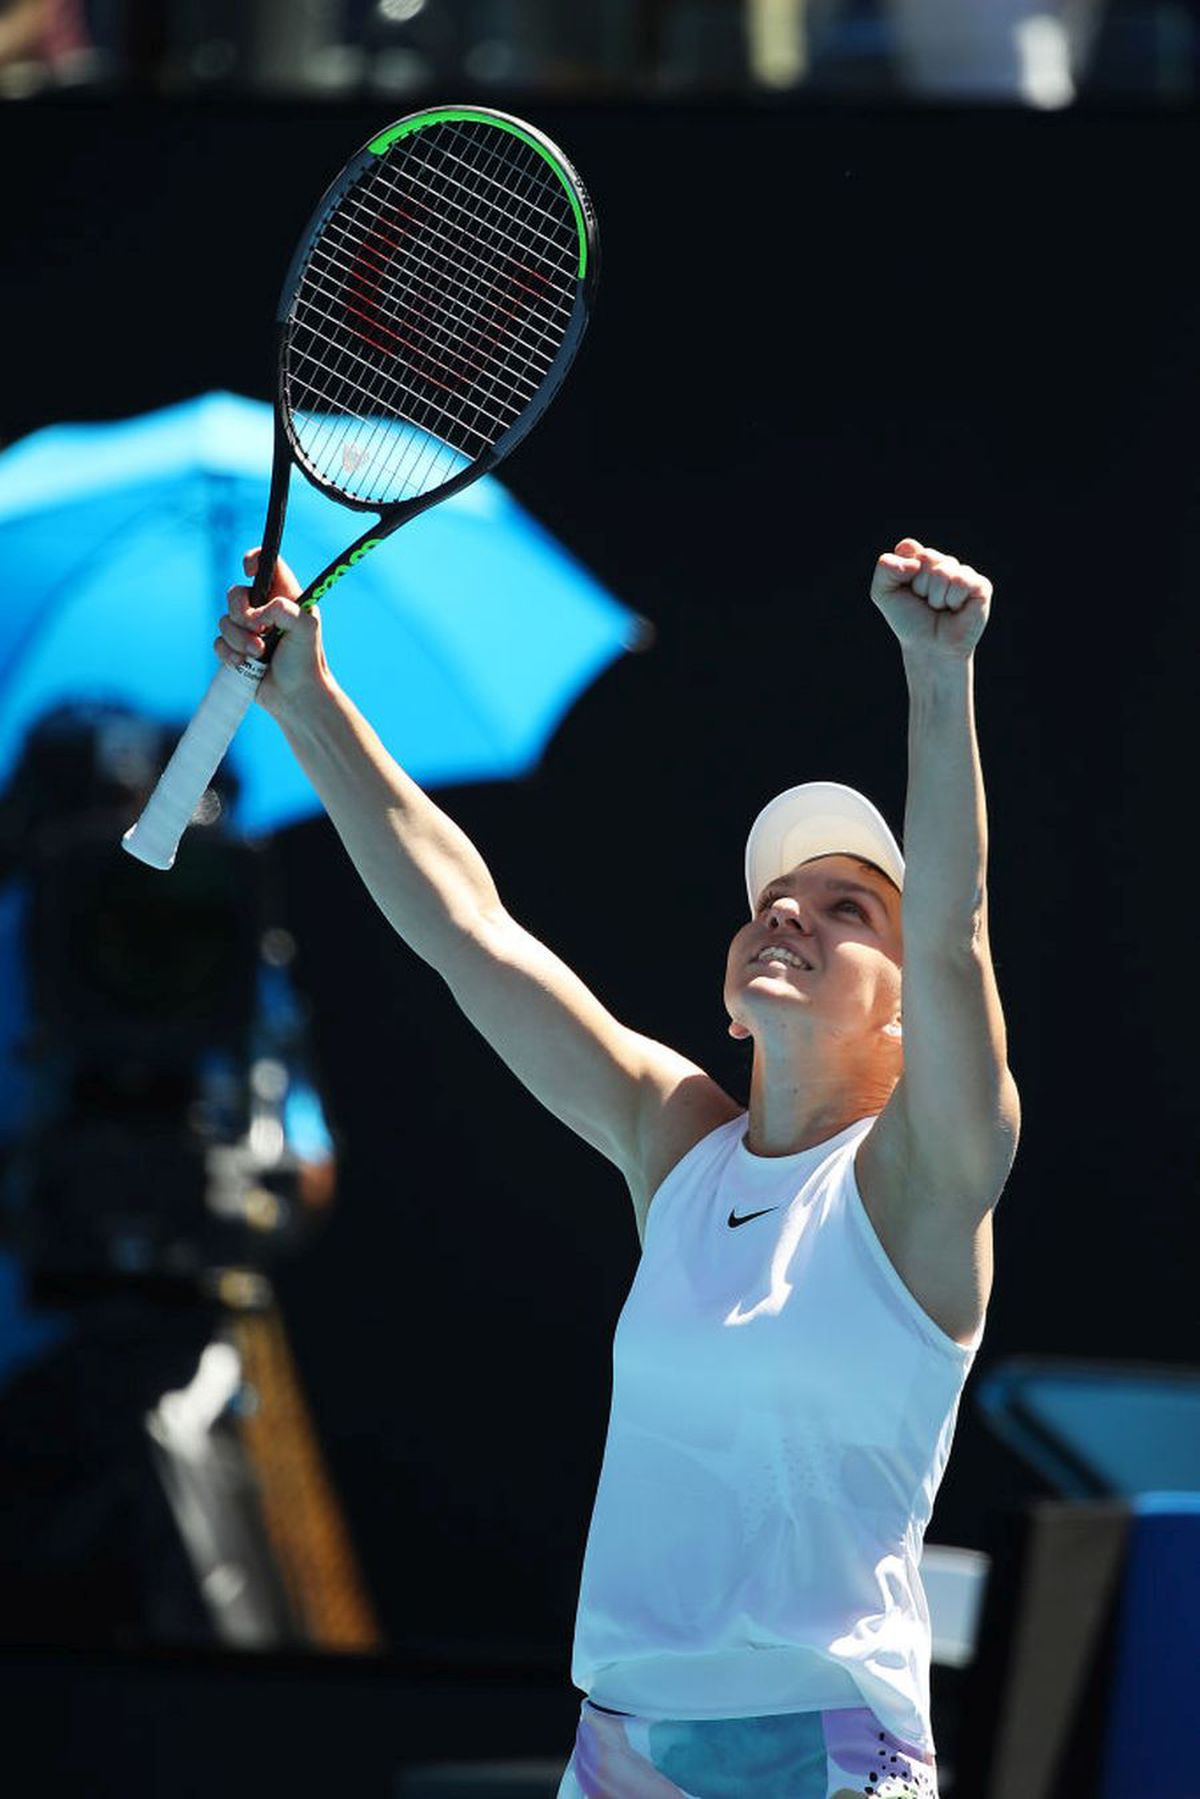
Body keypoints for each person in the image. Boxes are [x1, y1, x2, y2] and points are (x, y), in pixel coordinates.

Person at [217, 533, 1020, 1798]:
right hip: (618, 1752)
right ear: (737, 1006)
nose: (791, 909)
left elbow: (959, 937)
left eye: (848, 907)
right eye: (774, 895)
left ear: (905, 1010)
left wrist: (937, 672)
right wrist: (308, 702)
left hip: (822, 1757)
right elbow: (469, 928)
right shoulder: (678, 1142)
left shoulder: (926, 1184)